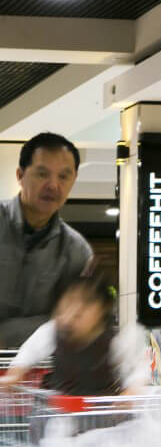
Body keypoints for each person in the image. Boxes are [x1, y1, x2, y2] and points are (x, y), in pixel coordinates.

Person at [0, 133, 92, 348]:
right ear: (20, 175)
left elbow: (67, 323)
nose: (53, 185)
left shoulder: (76, 250)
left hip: (36, 372)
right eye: (43, 174)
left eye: (63, 176)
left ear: (74, 180)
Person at [0, 273, 147, 395]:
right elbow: (30, 351)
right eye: (70, 302)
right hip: (59, 412)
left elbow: (138, 368)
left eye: (85, 305)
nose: (75, 312)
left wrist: (132, 389)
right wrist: (15, 373)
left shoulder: (118, 340)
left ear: (103, 310)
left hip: (100, 415)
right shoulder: (52, 332)